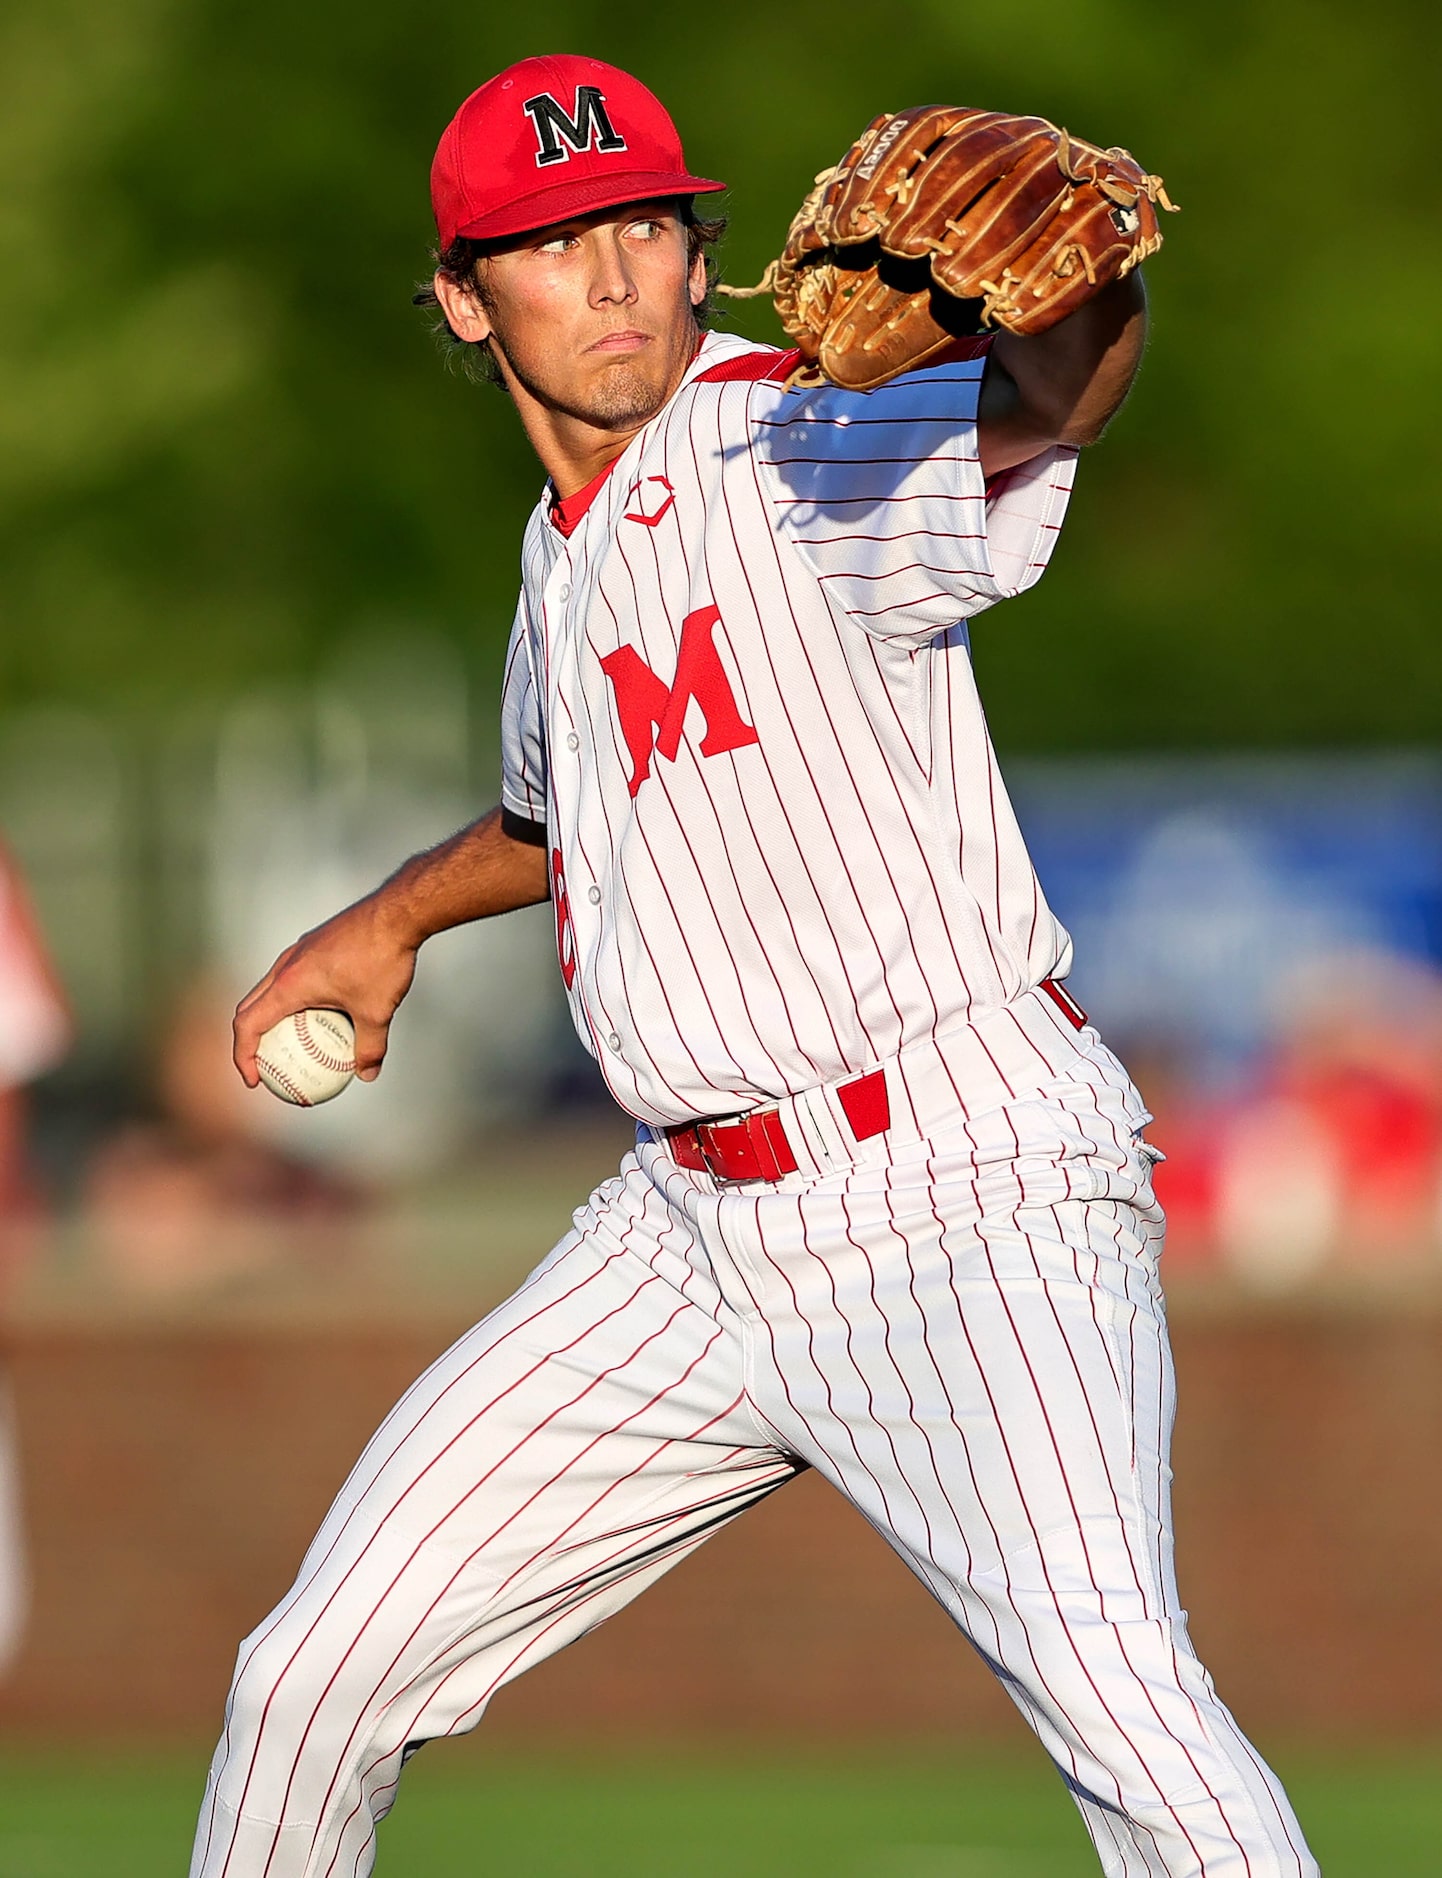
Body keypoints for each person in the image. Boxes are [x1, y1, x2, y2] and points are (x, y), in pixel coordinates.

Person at [192, 54, 1317, 1878]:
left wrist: (1087, 296)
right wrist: (388, 919)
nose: (618, 271)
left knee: (1122, 1701)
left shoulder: (793, 433)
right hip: (683, 1237)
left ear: (702, 252)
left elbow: (1051, 402)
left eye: (644, 219)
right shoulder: (557, 558)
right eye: (557, 242)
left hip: (962, 1186)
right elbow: (562, 809)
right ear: (468, 303)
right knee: (308, 1675)